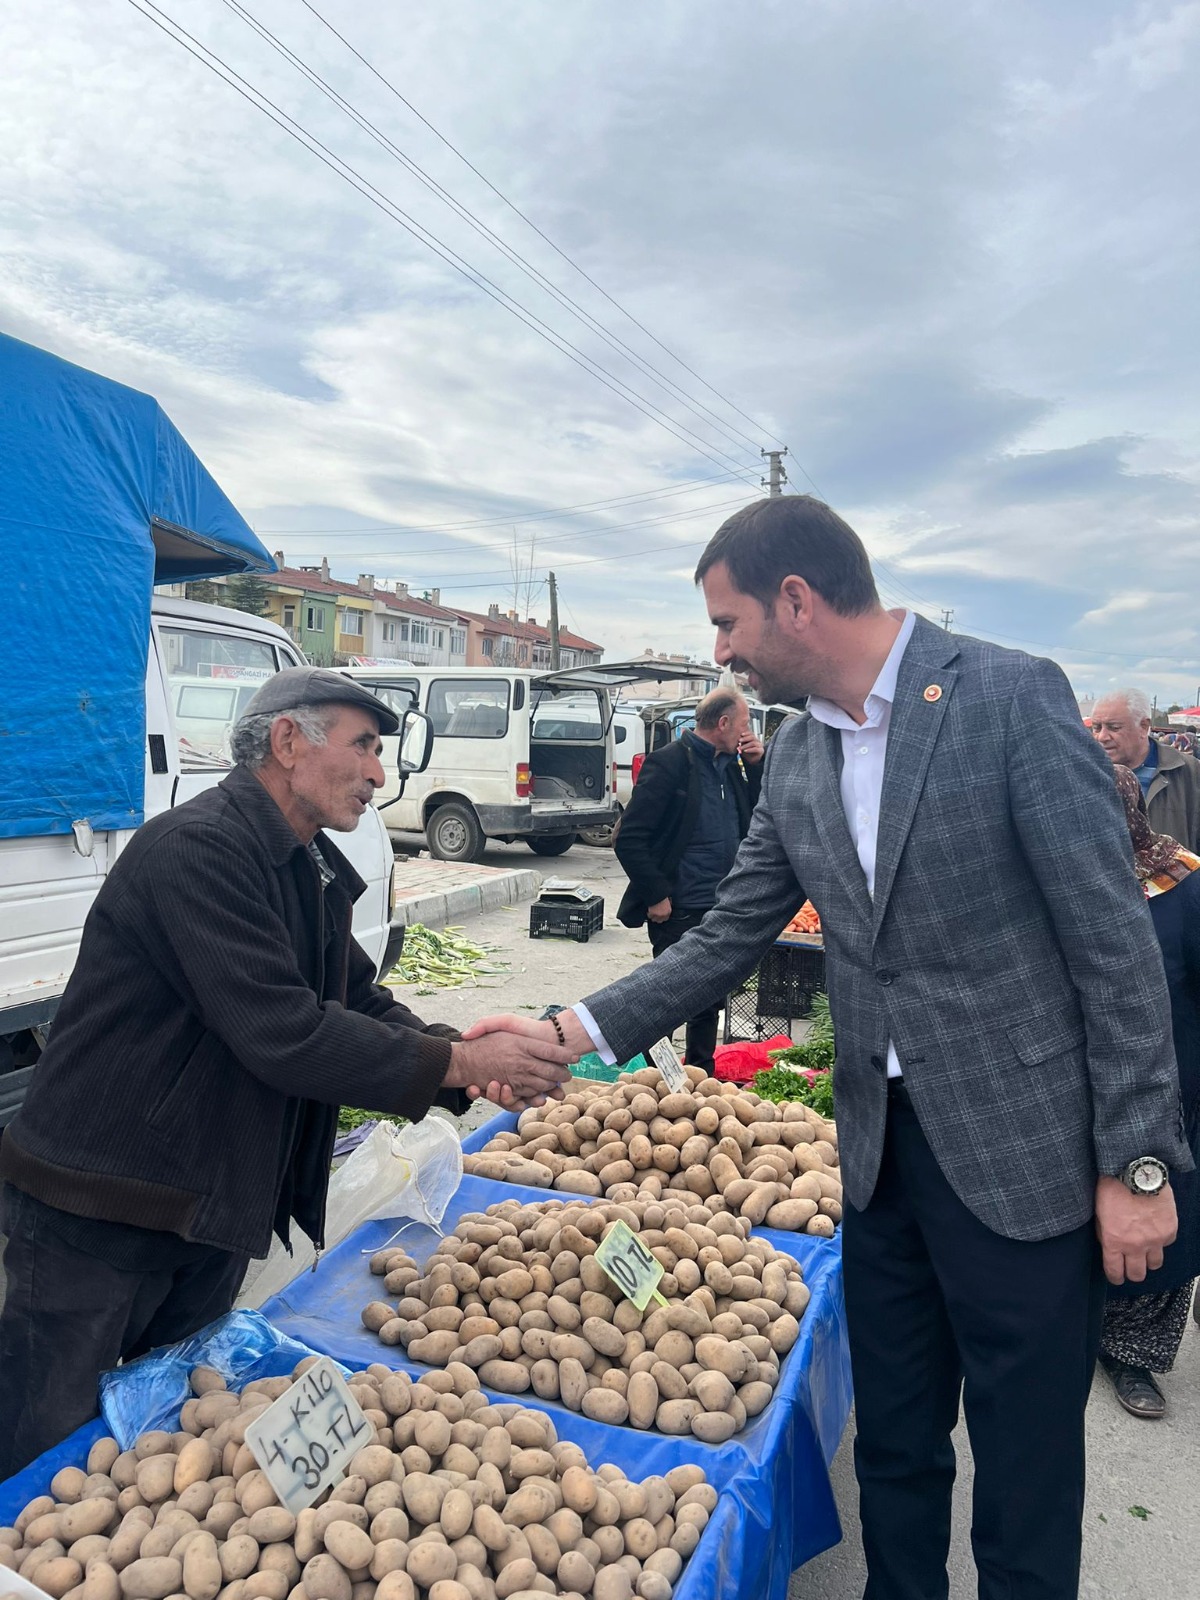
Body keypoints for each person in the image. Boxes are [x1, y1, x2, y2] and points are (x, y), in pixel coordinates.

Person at [465, 496, 1190, 1600]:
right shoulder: (799, 754)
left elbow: (1115, 946)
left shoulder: (1008, 696)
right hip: (879, 1163)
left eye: (726, 623)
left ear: (796, 600)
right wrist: (568, 1033)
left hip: (1026, 1162)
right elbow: (722, 942)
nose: (721, 654)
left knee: (1026, 1468)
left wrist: (1136, 1161)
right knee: (898, 1448)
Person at [0, 668, 572, 1477]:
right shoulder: (199, 851)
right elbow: (284, 1032)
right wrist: (466, 1060)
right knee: (41, 1439)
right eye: (364, 745)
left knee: (160, 1439)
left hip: (205, 1207)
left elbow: (355, 998)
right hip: (103, 1203)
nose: (380, 772)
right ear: (287, 742)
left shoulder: (304, 862)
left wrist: (463, 1069)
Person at [1096, 765, 1200, 1419]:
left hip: (1174, 1082)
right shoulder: (1059, 884)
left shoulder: (1183, 884)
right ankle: (1079, 1327)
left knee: (1168, 1216)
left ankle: (1133, 1353)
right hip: (1080, 1079)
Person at [613, 687, 764, 1069]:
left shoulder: (731, 766)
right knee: (665, 1000)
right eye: (745, 725)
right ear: (724, 723)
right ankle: (657, 1080)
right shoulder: (669, 763)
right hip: (678, 908)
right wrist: (655, 894)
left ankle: (699, 1079)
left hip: (721, 906)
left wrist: (757, 764)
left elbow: (760, 816)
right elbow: (629, 838)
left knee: (709, 999)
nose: (749, 733)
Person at [1091, 688, 1200, 850]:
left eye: (1113, 727)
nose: (1102, 737)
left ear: (1143, 726)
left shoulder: (1189, 772)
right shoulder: (1083, 774)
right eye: (1096, 727)